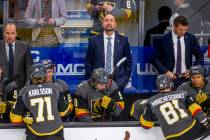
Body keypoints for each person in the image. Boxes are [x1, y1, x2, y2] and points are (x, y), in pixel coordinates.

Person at [10, 64, 72, 140]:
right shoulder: (56, 87)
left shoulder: (24, 91)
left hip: (34, 134)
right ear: (44, 75)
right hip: (56, 132)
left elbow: (15, 119)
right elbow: (64, 112)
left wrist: (25, 114)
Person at [140, 75, 209, 140]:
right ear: (171, 84)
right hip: (191, 130)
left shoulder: (151, 101)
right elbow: (196, 110)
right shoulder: (182, 94)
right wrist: (205, 122)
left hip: (171, 137)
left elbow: (146, 125)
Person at [151, 15, 204, 89]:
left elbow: (200, 56)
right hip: (168, 79)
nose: (183, 32)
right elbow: (154, 58)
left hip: (187, 79)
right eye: (180, 29)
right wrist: (165, 71)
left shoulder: (191, 38)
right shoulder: (163, 40)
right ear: (174, 27)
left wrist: (192, 71)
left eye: (185, 29)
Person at [85, 14, 132, 92]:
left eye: (111, 20)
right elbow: (88, 61)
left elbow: (129, 61)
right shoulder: (93, 40)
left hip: (118, 82)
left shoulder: (123, 40)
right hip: (98, 82)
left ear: (115, 24)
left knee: (117, 104)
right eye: (106, 20)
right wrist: (91, 80)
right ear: (102, 24)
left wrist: (124, 81)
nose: (109, 23)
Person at [0, 23, 33, 90]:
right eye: (7, 33)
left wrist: (28, 86)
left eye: (12, 33)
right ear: (4, 33)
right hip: (2, 87)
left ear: (16, 34)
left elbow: (29, 69)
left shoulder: (24, 47)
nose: (10, 36)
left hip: (20, 87)